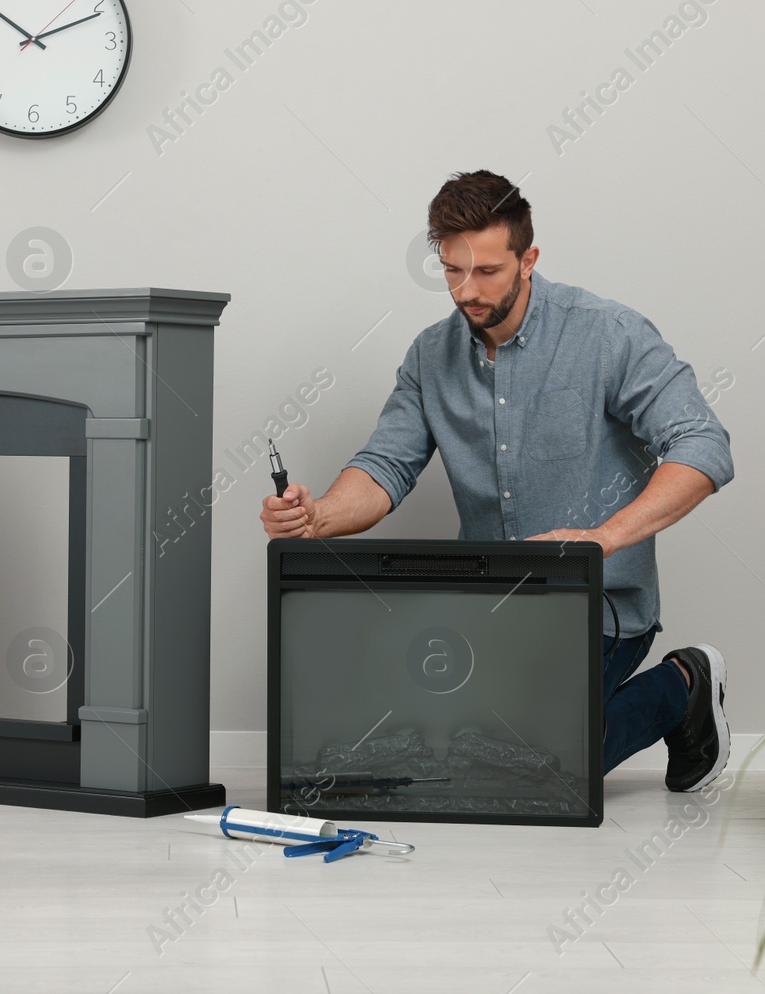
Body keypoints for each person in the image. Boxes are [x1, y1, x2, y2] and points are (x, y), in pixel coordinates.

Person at [258, 169, 734, 792]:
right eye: (453, 270)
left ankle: (684, 684)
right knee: (414, 747)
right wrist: (316, 517)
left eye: (486, 271)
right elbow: (385, 466)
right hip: (485, 613)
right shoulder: (431, 356)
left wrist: (604, 538)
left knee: (542, 768)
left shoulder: (608, 335)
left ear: (528, 259)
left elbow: (703, 445)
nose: (466, 290)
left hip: (599, 608)